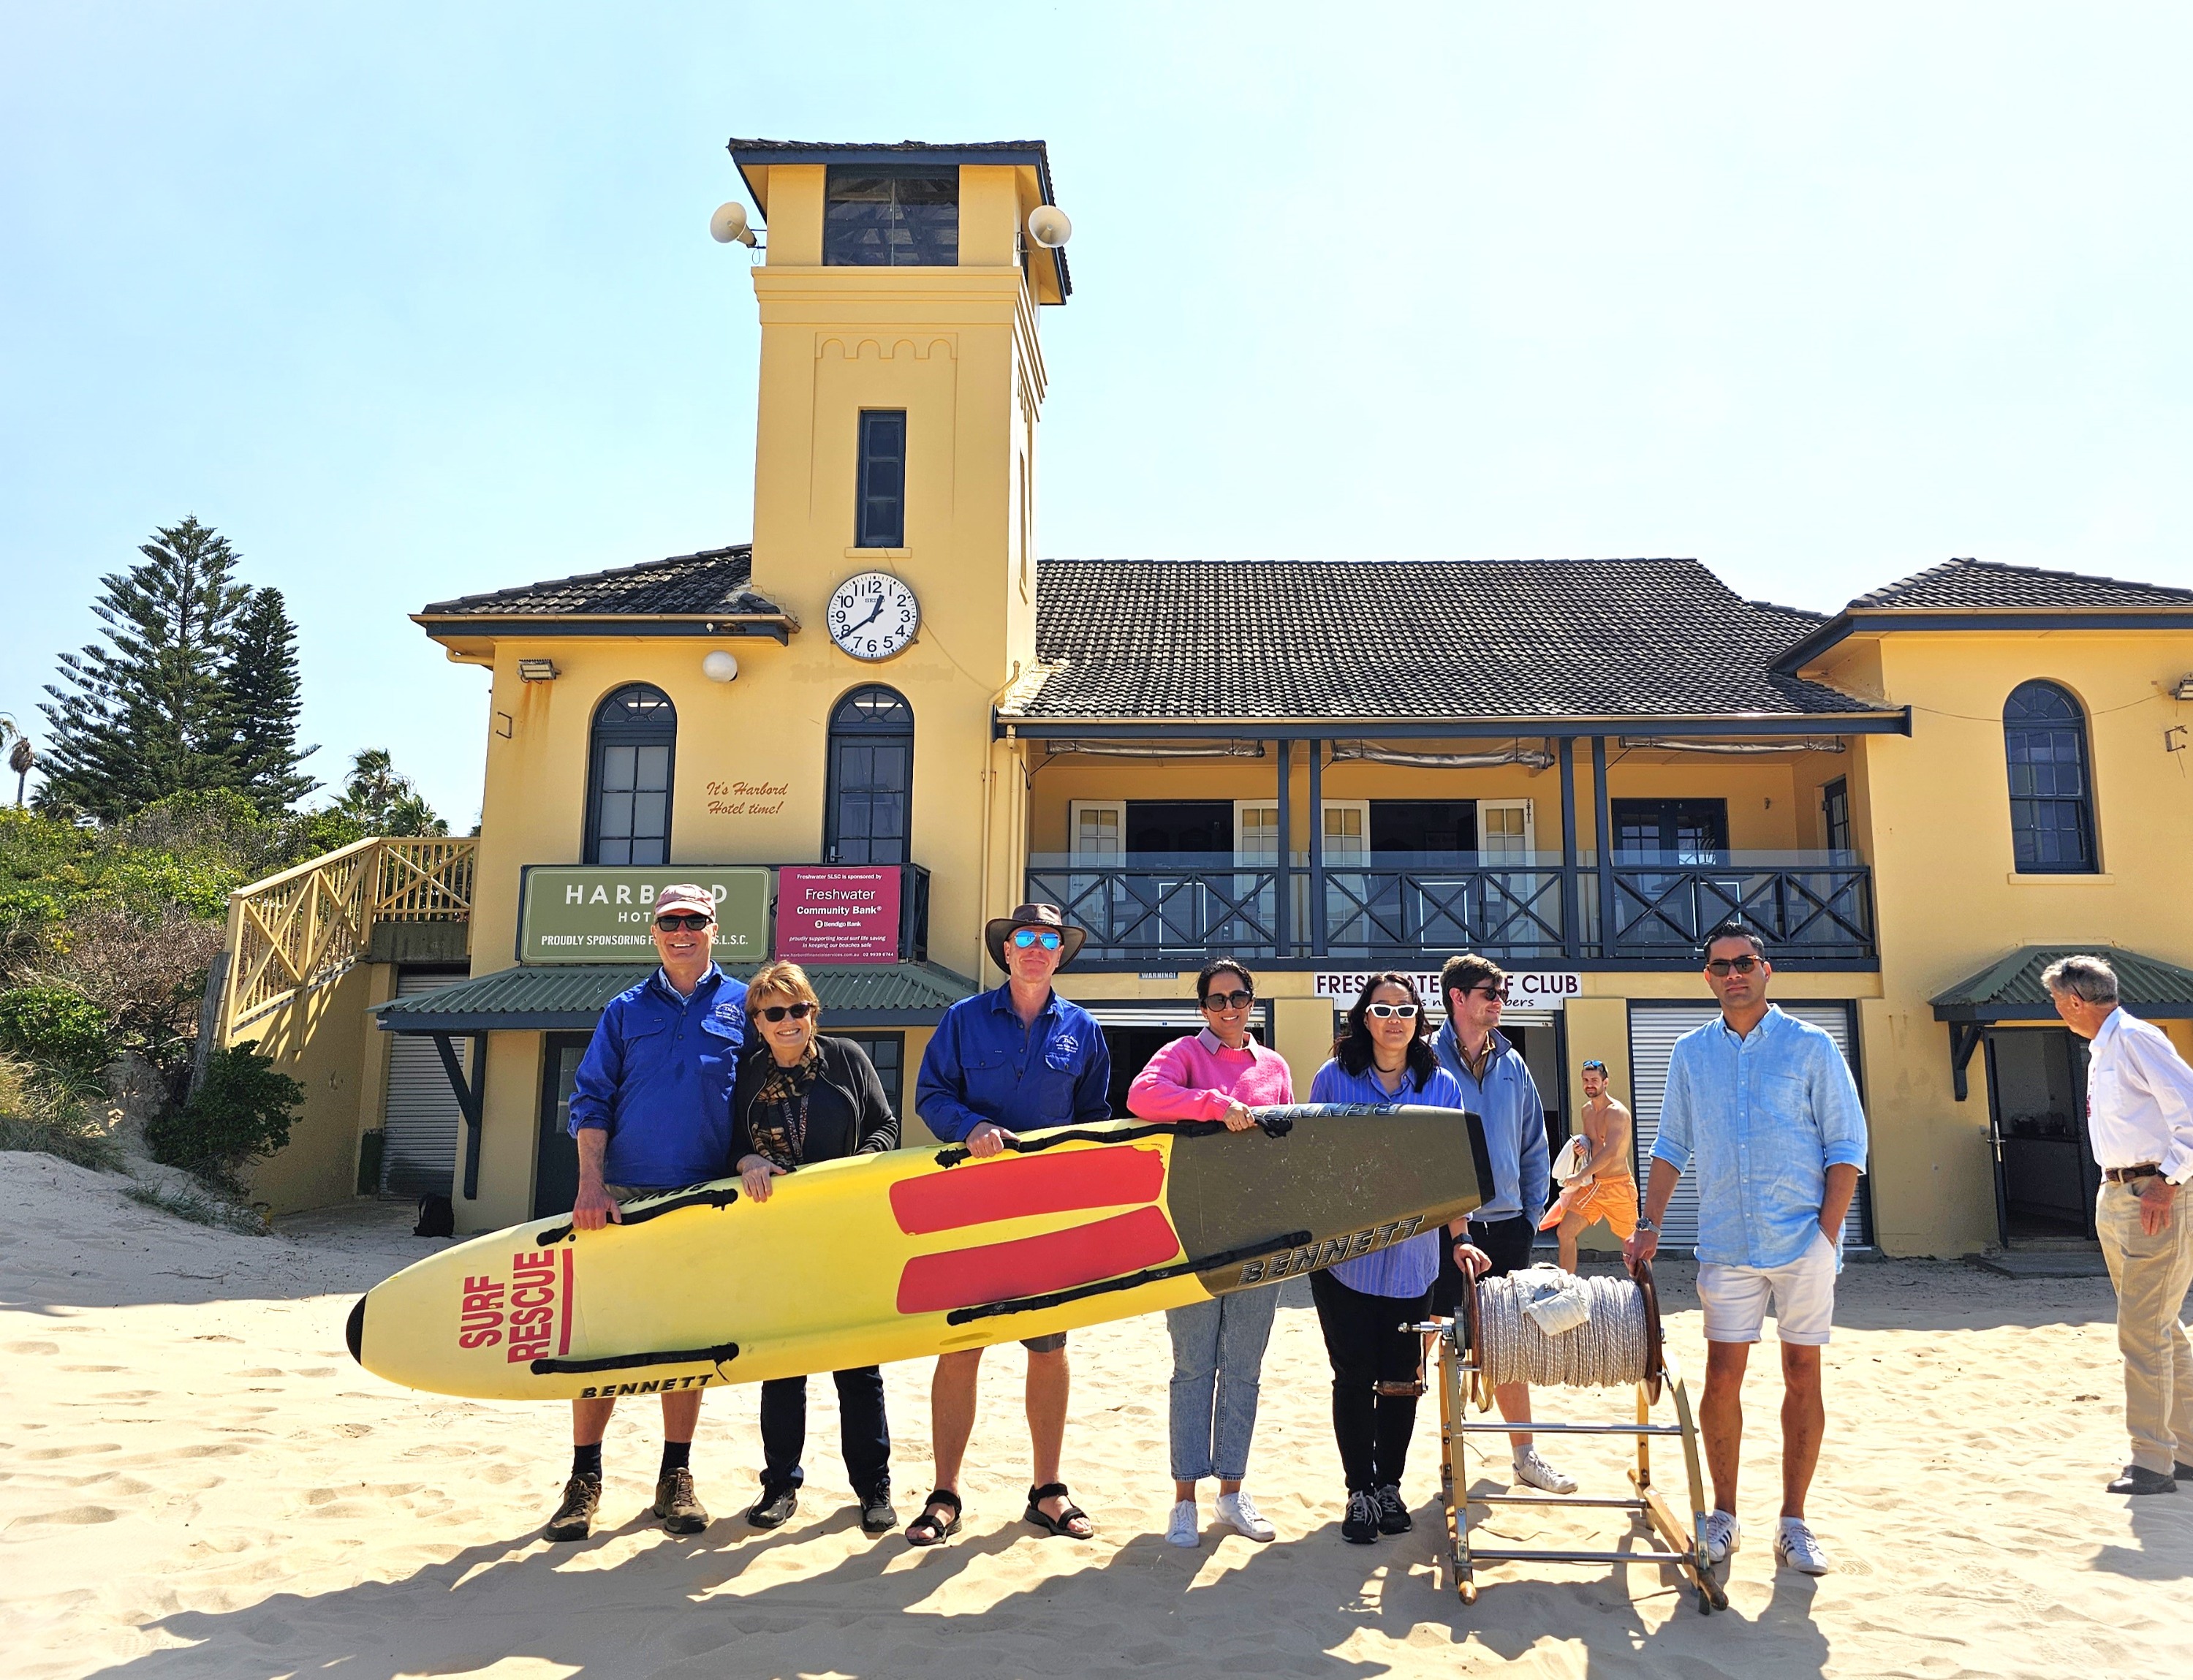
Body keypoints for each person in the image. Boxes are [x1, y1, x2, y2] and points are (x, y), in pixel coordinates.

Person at [1624, 920, 1868, 1577]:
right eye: (1720, 965)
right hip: (1727, 1244)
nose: (1733, 973)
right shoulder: (1689, 1053)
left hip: (1801, 1244)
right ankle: (1723, 1516)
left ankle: (1794, 1523)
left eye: (1744, 962)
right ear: (1707, 976)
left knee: (1801, 1377)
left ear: (1767, 970)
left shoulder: (1811, 1046)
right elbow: (1671, 1146)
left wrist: (1827, 1237)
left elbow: (1847, 1147)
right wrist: (1649, 1225)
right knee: (1721, 1378)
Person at [906, 902, 1113, 1546]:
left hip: (1046, 1218)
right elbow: (931, 1097)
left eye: (1048, 939)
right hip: (968, 1213)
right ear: (1006, 951)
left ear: (1059, 954)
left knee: (1048, 1348)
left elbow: (1095, 1117)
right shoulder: (962, 1020)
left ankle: (1047, 1490)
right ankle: (945, 1493)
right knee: (961, 1346)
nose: (1035, 947)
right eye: (1024, 937)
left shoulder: (1085, 1029)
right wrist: (971, 1129)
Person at [548, 883, 748, 1543]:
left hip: (704, 1201)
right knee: (602, 1339)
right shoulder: (624, 1010)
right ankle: (584, 1480)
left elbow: (763, 1095)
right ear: (654, 932)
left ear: (715, 928)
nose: (682, 931)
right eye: (670, 922)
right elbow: (591, 1100)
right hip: (624, 1198)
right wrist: (590, 1185)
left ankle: (676, 1478)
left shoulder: (745, 1004)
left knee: (681, 1343)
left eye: (694, 920)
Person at [1126, 958, 1295, 1548]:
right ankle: (1183, 1500)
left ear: (1252, 1001)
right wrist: (1214, 1105)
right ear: (1202, 1007)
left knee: (1244, 1369)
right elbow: (1142, 1096)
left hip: (1261, 1236)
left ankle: (1231, 1491)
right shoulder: (1180, 1054)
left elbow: (1287, 1142)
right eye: (1217, 999)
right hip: (1193, 1236)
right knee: (1194, 1367)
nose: (1228, 1007)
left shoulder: (1274, 1065)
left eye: (1238, 997)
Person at [732, 961, 901, 1535]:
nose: (788, 1021)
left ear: (813, 1012)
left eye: (798, 1009)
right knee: (783, 1367)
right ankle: (780, 1485)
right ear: (757, 1021)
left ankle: (873, 1489)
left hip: (848, 1234)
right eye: (774, 1012)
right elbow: (727, 1143)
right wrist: (747, 1160)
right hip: (777, 1239)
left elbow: (886, 1126)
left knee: (858, 1368)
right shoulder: (746, 1074)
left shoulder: (847, 1059)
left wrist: (856, 1166)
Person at [1307, 972, 1473, 1545]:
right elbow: (1315, 1164)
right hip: (1344, 1262)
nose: (1394, 1019)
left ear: (1420, 1021)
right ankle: (1358, 1491)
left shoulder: (1442, 1085)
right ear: (1363, 1018)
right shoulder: (1333, 1078)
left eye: (1405, 1010)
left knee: (1402, 1380)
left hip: (1412, 1263)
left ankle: (1389, 1487)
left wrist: (1461, 1238)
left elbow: (1452, 1171)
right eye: (1381, 1009)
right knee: (1352, 1378)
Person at [2042, 954, 2193, 1495]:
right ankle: (2186, 1449)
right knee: (2160, 1325)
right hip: (2121, 1191)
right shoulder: (2105, 1049)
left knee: (2143, 1330)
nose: (2058, 1012)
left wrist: (2167, 1183)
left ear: (2076, 1002)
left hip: (2155, 1192)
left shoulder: (2136, 1039)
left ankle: (2152, 1463)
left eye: (2059, 1003)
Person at [1430, 953, 1572, 1496]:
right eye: (1490, 992)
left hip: (1509, 1226)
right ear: (1458, 998)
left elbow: (1536, 1144)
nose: (1500, 1002)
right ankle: (1430, 1464)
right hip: (1441, 1230)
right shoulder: (1423, 1060)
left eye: (1503, 992)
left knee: (1509, 1344)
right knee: (1430, 1343)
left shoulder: (1514, 1063)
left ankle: (1525, 1455)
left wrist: (1530, 1215)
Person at [1539, 1059, 1638, 1274]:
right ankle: (1567, 1287)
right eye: (1585, 1080)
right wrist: (1581, 1146)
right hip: (1592, 1187)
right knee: (1565, 1232)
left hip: (1617, 1187)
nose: (1589, 1084)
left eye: (1594, 1080)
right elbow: (1591, 1141)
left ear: (1606, 1082)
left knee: (1633, 1244)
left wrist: (1579, 1176)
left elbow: (1610, 1152)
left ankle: (1645, 1295)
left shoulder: (1617, 1113)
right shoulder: (1586, 1111)